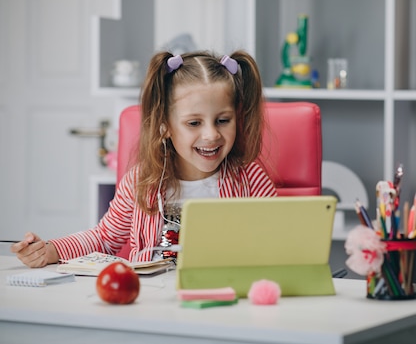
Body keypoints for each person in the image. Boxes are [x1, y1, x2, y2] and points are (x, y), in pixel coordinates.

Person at [12, 50, 277, 267]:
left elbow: (281, 239)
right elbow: (104, 238)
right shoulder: (141, 181)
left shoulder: (250, 179)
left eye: (223, 120)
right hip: (150, 302)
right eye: (194, 122)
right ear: (165, 125)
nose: (211, 134)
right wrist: (51, 250)